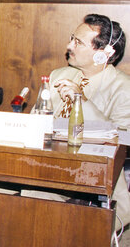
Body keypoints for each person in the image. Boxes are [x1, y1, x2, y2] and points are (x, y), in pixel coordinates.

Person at [48, 14, 130, 229]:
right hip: (47, 164)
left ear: (103, 54)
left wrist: (80, 101)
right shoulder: (58, 75)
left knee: (34, 196)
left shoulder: (123, 88)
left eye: (78, 42)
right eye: (71, 38)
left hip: (93, 173)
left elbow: (121, 140)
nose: (69, 46)